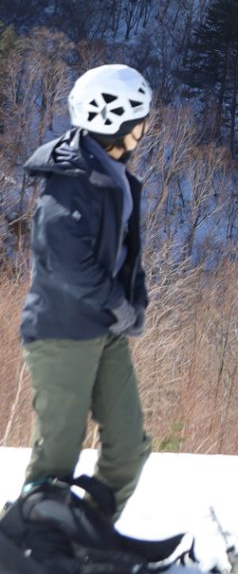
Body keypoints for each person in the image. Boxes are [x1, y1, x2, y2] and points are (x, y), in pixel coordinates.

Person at [20, 64, 154, 521]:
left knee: (129, 445)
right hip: (62, 330)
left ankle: (83, 535)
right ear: (114, 119)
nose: (145, 128)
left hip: (103, 327)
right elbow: (65, 263)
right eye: (140, 120)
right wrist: (118, 305)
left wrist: (135, 301)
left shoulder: (112, 173)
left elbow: (120, 253)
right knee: (56, 455)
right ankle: (32, 549)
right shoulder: (70, 179)